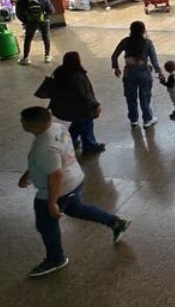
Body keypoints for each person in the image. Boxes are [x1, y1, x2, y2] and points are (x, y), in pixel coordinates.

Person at [18, 106, 131, 278]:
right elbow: (52, 161)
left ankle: (56, 258)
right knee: (75, 208)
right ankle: (115, 223)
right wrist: (29, 173)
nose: (21, 124)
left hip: (58, 189)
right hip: (75, 179)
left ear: (32, 124)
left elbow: (55, 174)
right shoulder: (57, 127)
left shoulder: (44, 146)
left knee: (46, 225)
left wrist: (52, 202)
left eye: (23, 121)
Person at [47, 51, 105, 153]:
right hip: (80, 109)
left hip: (66, 107)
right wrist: (96, 105)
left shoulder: (61, 72)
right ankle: (90, 145)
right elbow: (85, 96)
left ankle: (70, 141)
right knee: (86, 123)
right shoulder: (77, 76)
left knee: (78, 124)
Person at [111, 21, 164, 129]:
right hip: (144, 72)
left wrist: (116, 68)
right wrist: (159, 72)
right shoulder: (147, 42)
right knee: (145, 96)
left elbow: (114, 55)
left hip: (129, 72)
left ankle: (133, 120)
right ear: (143, 30)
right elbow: (154, 59)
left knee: (130, 97)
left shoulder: (125, 41)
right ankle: (147, 119)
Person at [15, 0, 55, 66]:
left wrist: (25, 21)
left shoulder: (21, 1)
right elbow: (52, 11)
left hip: (31, 22)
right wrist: (45, 16)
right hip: (44, 20)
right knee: (46, 37)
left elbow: (19, 14)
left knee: (28, 39)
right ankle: (47, 56)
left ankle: (26, 58)